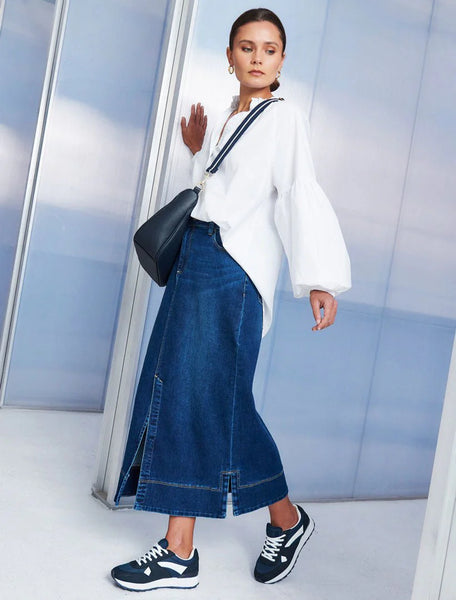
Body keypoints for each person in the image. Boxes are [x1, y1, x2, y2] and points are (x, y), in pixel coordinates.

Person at [111, 7, 351, 592]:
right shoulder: (229, 118)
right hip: (195, 259)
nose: (257, 57)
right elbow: (218, 192)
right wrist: (200, 149)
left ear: (282, 60)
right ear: (229, 57)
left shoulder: (283, 117)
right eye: (247, 47)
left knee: (200, 395)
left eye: (269, 49)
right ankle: (282, 521)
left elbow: (297, 192)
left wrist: (320, 277)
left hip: (231, 270)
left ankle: (181, 549)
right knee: (191, 392)